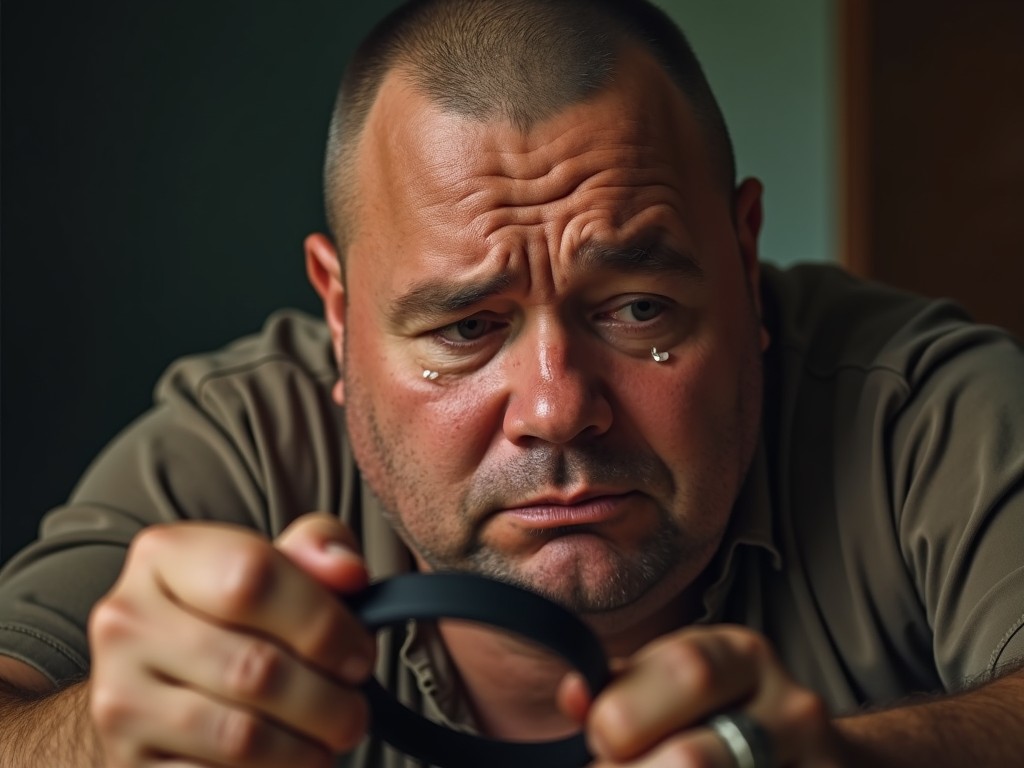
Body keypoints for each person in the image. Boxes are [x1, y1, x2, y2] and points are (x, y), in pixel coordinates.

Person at [1, 0, 1022, 765]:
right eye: (465, 327)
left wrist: (856, 761)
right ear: (342, 315)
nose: (555, 408)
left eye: (637, 310)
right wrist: (93, 733)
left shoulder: (916, 407)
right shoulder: (240, 442)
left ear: (742, 260)